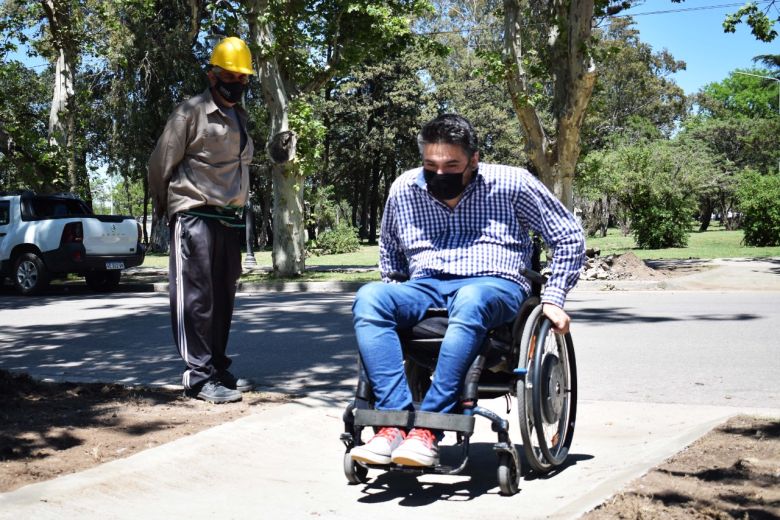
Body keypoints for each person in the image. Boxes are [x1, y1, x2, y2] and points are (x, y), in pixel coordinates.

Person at [350, 114, 585, 467]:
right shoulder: (404, 189)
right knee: (369, 298)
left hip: (493, 283)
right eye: (431, 165)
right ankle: (392, 425)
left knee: (470, 299)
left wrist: (553, 296)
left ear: (473, 160)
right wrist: (398, 300)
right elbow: (391, 253)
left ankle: (428, 430)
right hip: (426, 284)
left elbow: (568, 236)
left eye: (451, 165)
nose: (439, 174)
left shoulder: (512, 183)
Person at [148, 36, 256, 404]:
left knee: (223, 298)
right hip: (194, 214)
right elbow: (159, 165)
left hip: (228, 219)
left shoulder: (238, 116)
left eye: (243, 79)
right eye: (230, 76)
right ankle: (198, 376)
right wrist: (168, 211)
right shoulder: (189, 113)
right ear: (212, 76)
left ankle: (217, 367)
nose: (237, 84)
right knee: (197, 300)